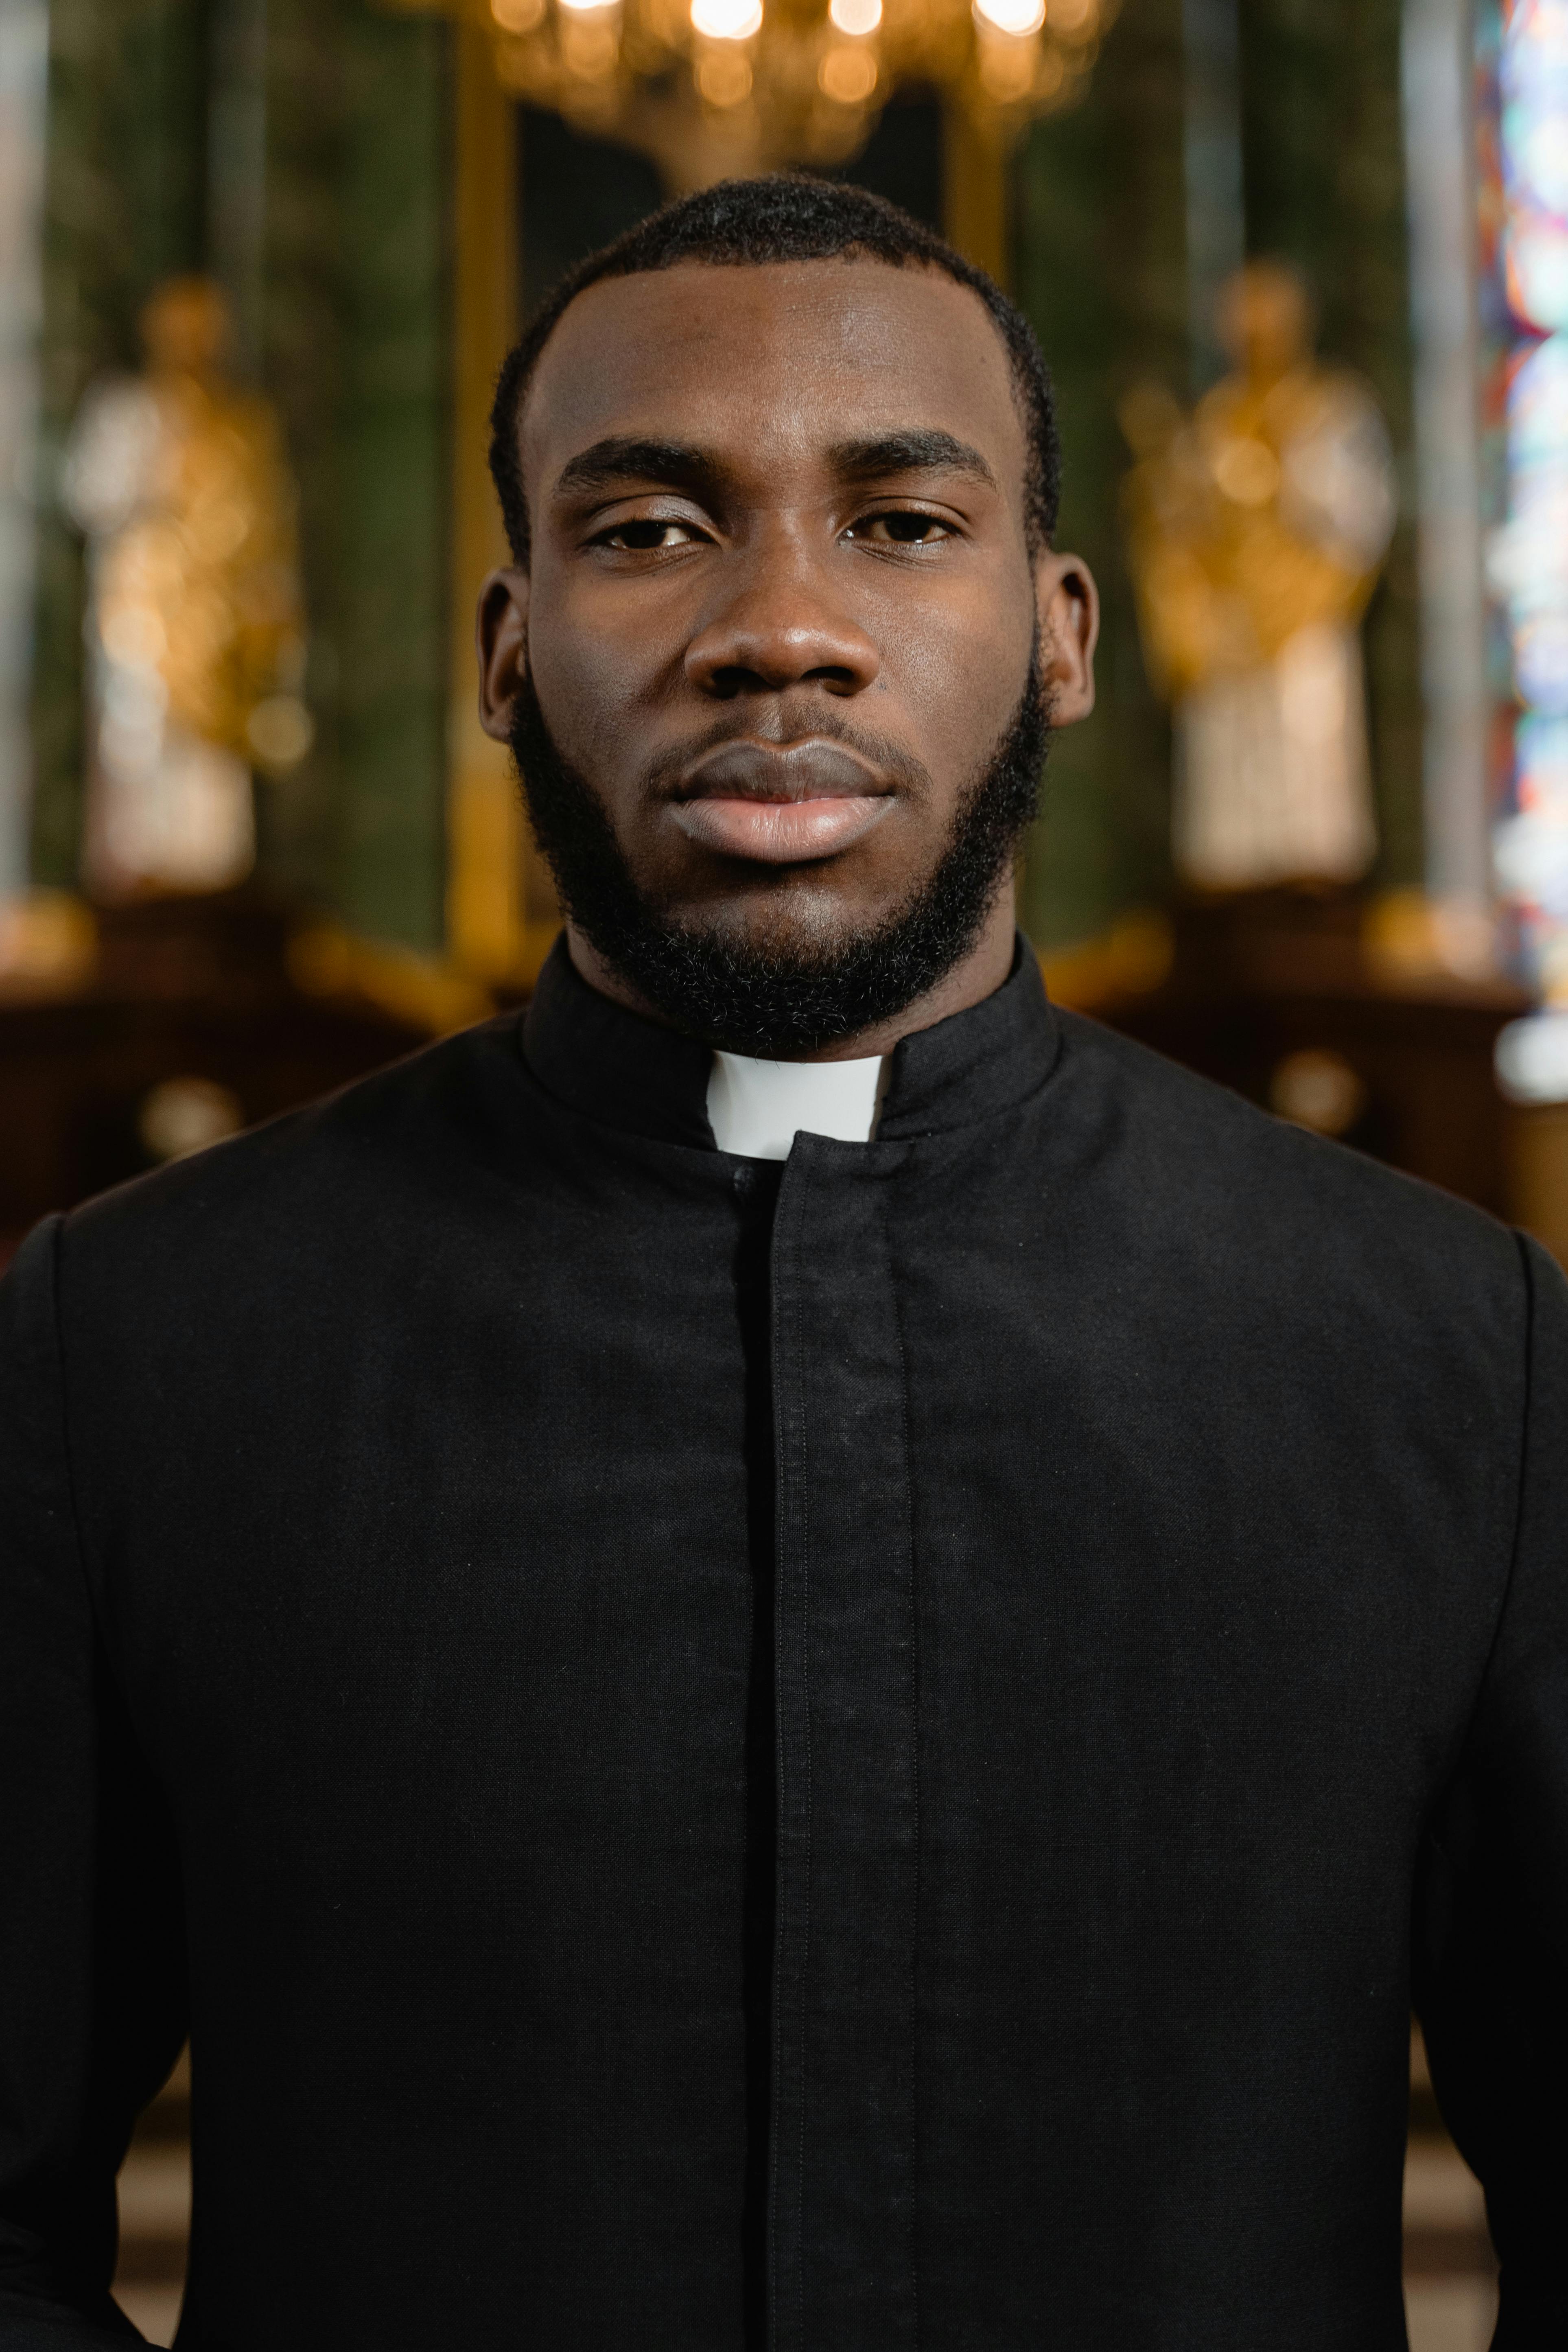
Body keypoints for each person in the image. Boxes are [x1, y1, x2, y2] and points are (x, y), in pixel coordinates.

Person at [0, 177, 1562, 2351]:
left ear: (1067, 630)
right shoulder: (132, 1341)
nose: (782, 627)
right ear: (506, 645)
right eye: (650, 528)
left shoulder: (1453, 1357)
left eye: (905, 524)